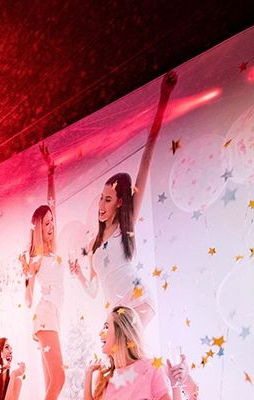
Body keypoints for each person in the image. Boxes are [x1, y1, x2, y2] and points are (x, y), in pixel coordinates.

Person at [71, 71, 176, 325]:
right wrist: (79, 275)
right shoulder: (94, 244)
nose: (101, 205)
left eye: (108, 199)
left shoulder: (124, 227)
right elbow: (94, 291)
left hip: (138, 301)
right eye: (101, 198)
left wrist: (164, 98)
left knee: (126, 349)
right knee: (114, 349)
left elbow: (146, 161)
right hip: (118, 310)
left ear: (119, 202)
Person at [83, 306, 197, 400]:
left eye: (107, 327)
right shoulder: (105, 375)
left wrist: (176, 384)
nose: (100, 333)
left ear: (122, 332)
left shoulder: (150, 369)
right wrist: (88, 375)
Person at [18, 142, 66, 400]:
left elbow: (53, 205)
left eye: (51, 222)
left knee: (52, 381)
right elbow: (27, 300)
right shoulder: (36, 258)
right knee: (58, 378)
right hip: (45, 316)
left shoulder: (52, 251)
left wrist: (50, 173)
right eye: (46, 223)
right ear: (38, 227)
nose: (51, 226)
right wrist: (28, 275)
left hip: (53, 317)